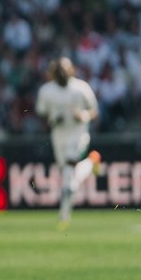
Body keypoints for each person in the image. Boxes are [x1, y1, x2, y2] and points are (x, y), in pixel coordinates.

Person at [35, 57, 101, 227]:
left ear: (72, 70)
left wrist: (84, 116)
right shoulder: (46, 91)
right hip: (58, 136)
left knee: (69, 173)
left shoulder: (81, 88)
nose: (62, 74)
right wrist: (52, 120)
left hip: (77, 134)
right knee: (67, 174)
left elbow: (94, 110)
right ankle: (91, 162)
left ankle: (64, 215)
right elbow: (41, 113)